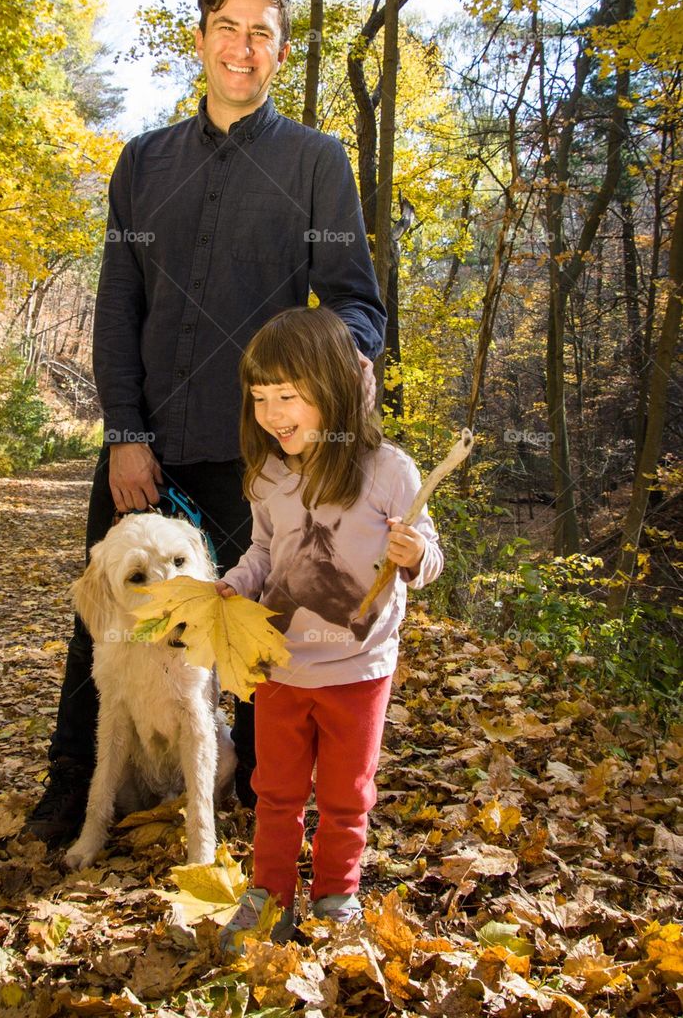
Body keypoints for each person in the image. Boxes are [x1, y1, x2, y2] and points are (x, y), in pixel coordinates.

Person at [26, 0, 387, 845]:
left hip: (258, 458)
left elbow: (356, 304)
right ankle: (73, 790)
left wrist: (323, 378)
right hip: (147, 442)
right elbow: (119, 307)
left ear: (281, 51)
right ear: (200, 37)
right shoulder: (144, 161)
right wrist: (124, 434)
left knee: (256, 635)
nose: (243, 46)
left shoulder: (315, 161)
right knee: (108, 623)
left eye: (262, 33)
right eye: (228, 27)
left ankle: (260, 804)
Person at [216, 306, 443, 946]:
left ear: (335, 390)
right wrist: (236, 583)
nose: (271, 412)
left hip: (359, 669)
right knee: (275, 790)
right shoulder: (268, 475)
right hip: (281, 666)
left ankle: (336, 896)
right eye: (259, 397)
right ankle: (270, 896)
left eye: (287, 396)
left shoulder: (388, 471)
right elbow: (264, 552)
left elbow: (428, 550)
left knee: (347, 794)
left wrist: (415, 556)